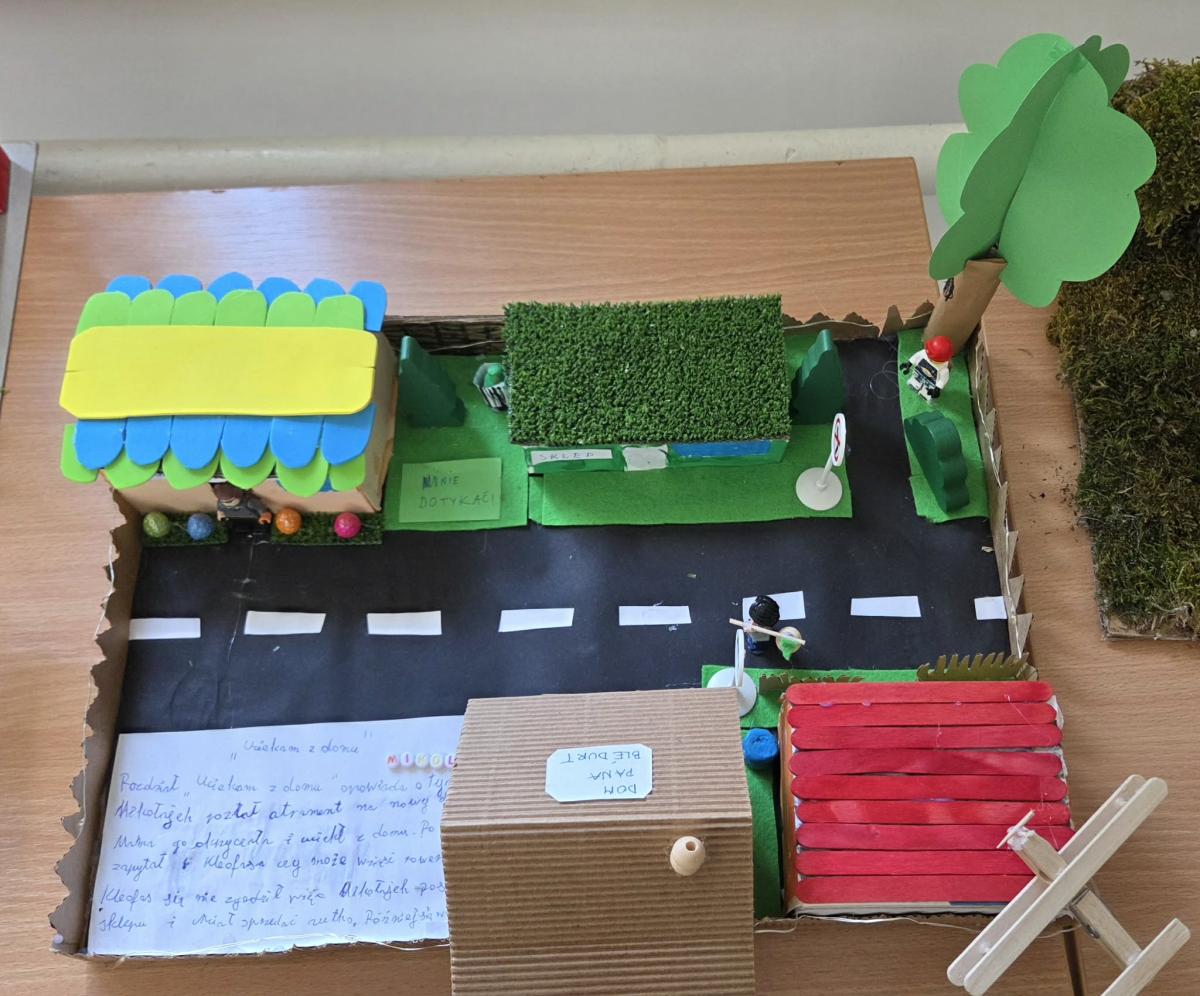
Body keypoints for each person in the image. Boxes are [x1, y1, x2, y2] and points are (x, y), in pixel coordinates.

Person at [901, 334, 953, 402]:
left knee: (926, 392)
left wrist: (937, 388)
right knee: (914, 381)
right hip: (919, 373)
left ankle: (925, 394)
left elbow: (943, 379)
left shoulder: (943, 369)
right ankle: (914, 385)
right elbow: (916, 356)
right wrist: (909, 363)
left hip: (931, 382)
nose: (929, 358)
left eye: (932, 358)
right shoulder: (925, 353)